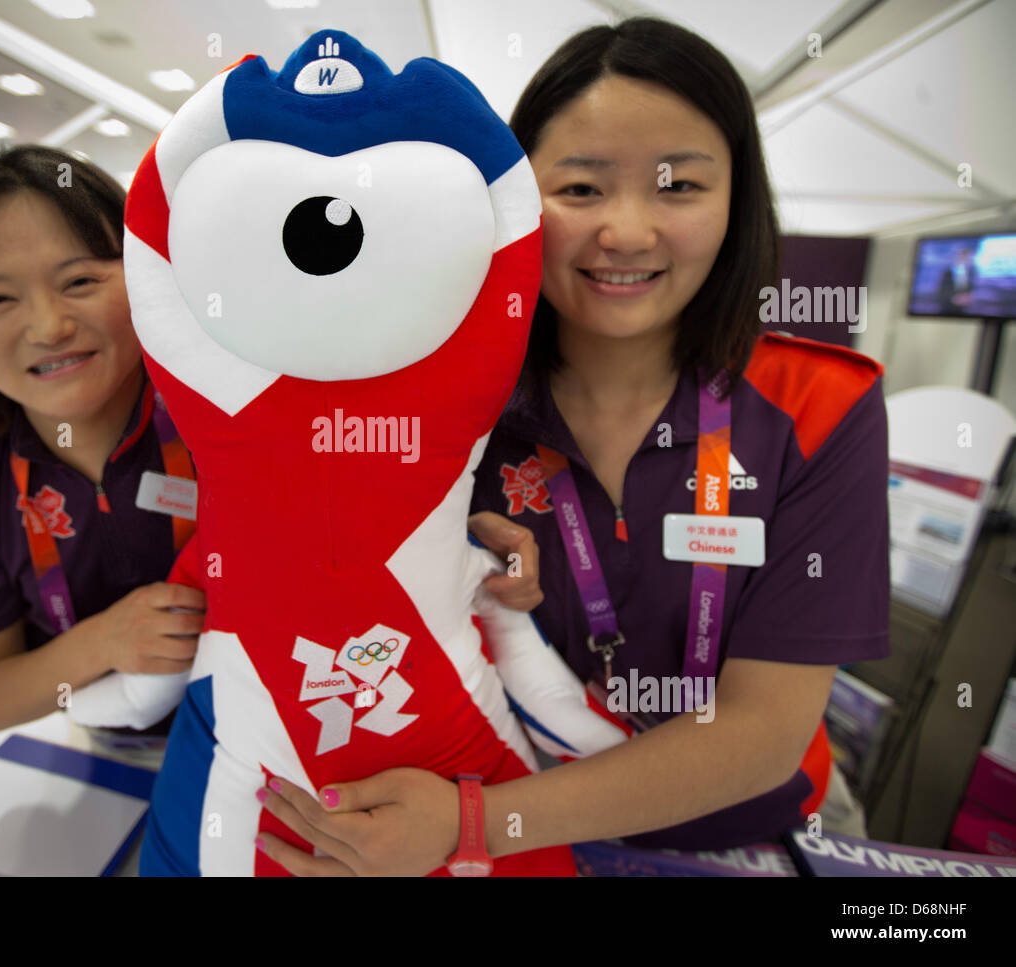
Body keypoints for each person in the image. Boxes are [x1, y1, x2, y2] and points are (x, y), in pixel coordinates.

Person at [254, 17, 891, 874]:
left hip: (744, 837)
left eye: (679, 186)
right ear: (517, 200)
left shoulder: (820, 405)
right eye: (582, 189)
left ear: (737, 199)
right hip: (513, 826)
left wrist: (476, 823)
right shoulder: (445, 403)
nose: (626, 231)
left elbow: (762, 732)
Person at [0, 145, 539, 735]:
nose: (50, 324)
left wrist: (460, 540)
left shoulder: (241, 413)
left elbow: (365, 516)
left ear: (148, 275)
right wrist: (103, 644)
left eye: (81, 281)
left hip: (285, 740)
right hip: (105, 744)